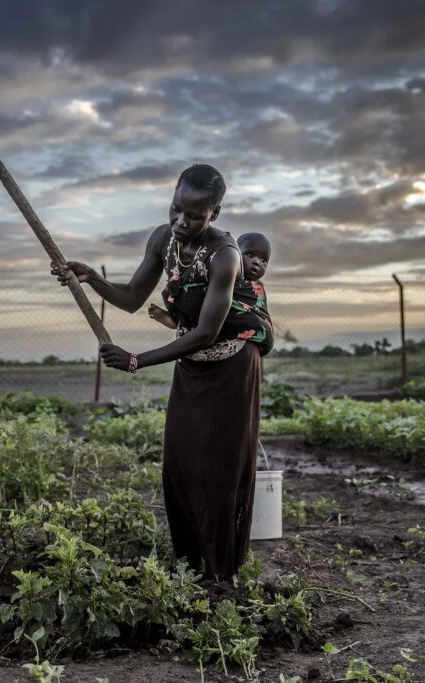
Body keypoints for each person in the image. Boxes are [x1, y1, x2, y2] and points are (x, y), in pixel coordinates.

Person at [51, 164, 271, 580]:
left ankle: (222, 577)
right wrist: (92, 278)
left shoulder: (226, 256)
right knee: (181, 462)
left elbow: (206, 333)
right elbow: (133, 297)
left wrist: (136, 360)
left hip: (232, 366)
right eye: (176, 209)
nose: (181, 222)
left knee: (219, 469)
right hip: (192, 365)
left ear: (215, 214)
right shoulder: (162, 239)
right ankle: (191, 566)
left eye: (194, 215)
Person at [148, 232, 274, 357]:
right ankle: (176, 320)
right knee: (199, 310)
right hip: (207, 324)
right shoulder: (220, 276)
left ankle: (182, 322)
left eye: (263, 260)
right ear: (236, 254)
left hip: (238, 336)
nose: (257, 262)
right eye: (250, 255)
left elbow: (259, 314)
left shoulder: (256, 289)